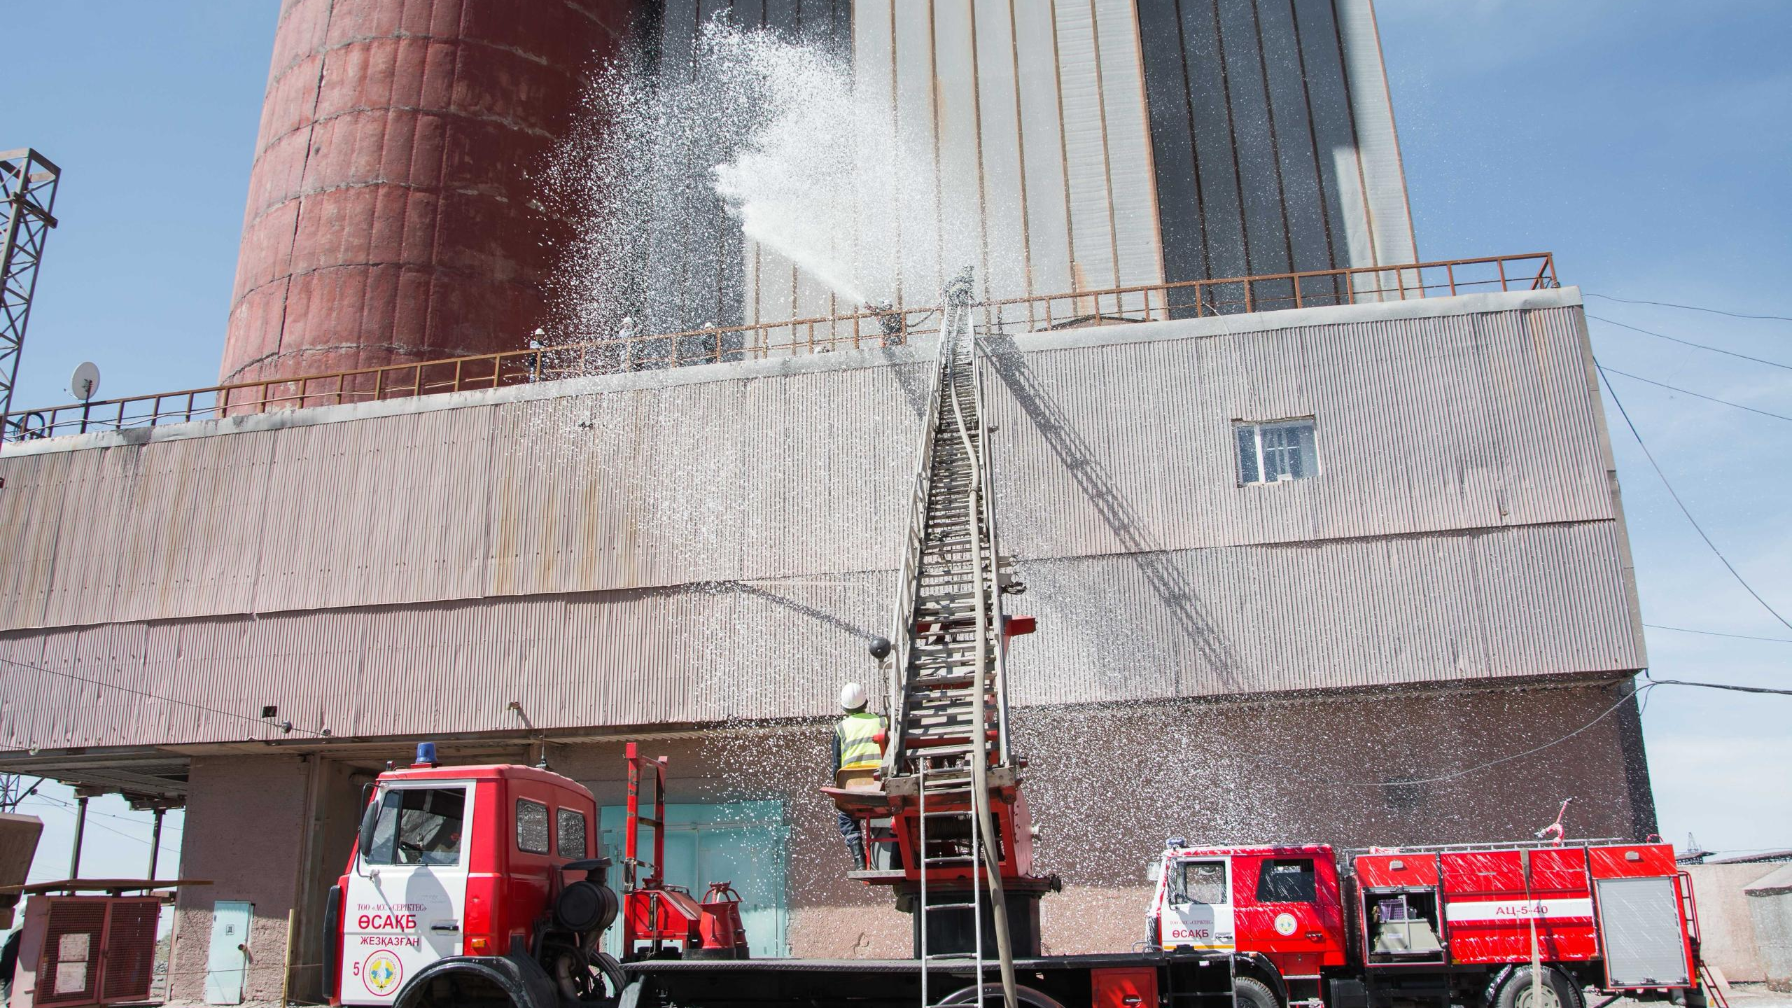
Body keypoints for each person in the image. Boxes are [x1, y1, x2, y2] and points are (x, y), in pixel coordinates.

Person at [832, 682, 885, 869]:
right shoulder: (881, 722)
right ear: (866, 703)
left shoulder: (841, 728)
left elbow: (836, 767)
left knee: (846, 818)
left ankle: (860, 860)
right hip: (881, 788)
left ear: (844, 707)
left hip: (853, 791)